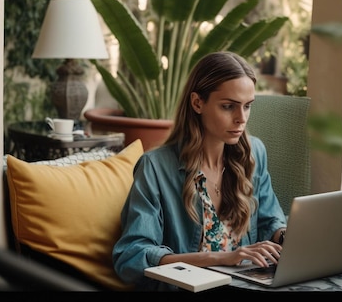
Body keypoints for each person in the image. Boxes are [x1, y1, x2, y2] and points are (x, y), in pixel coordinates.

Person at [112, 51, 287, 291]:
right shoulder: (155, 167)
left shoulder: (253, 153)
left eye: (247, 107)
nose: (241, 118)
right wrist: (222, 258)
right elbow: (132, 256)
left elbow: (269, 220)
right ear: (197, 103)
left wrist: (287, 238)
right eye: (228, 107)